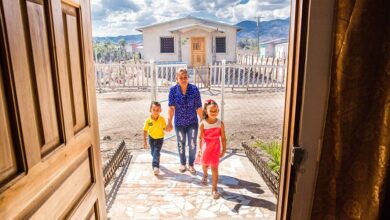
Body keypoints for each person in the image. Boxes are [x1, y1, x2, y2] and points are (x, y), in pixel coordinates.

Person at [166, 68, 203, 175]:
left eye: (185, 77)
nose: (183, 79)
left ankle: (191, 164)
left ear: (188, 78)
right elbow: (171, 108)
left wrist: (203, 122)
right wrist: (169, 122)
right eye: (181, 77)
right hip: (179, 123)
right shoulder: (173, 90)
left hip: (192, 122)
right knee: (181, 143)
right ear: (177, 78)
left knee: (192, 144)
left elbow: (199, 107)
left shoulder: (194, 89)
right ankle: (182, 163)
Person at [197, 99, 227, 199]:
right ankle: (205, 175)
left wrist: (224, 149)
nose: (214, 113)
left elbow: (223, 137)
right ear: (206, 111)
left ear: (218, 110)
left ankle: (214, 189)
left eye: (216, 111)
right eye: (211, 111)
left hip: (216, 147)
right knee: (204, 164)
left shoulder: (220, 123)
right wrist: (199, 150)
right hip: (206, 147)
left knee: (214, 167)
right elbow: (200, 138)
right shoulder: (203, 123)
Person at [143, 101, 166, 175]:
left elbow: (164, 128)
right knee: (153, 152)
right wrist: (145, 142)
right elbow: (145, 131)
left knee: (156, 151)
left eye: (157, 110)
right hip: (151, 138)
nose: (156, 111)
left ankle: (155, 167)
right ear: (150, 110)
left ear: (160, 110)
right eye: (154, 110)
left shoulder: (162, 119)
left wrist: (168, 127)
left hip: (160, 138)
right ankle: (157, 156)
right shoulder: (148, 121)